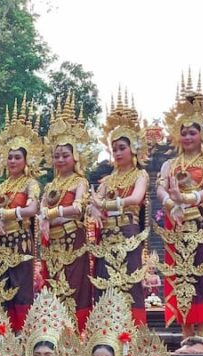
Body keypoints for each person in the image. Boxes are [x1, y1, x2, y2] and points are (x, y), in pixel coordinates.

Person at [156, 80, 203, 353]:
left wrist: (187, 198)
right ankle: (186, 337)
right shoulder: (168, 164)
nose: (187, 137)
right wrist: (170, 203)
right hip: (176, 225)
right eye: (183, 132)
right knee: (179, 278)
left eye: (192, 132)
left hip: (201, 223)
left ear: (202, 135)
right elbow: (161, 188)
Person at [89, 91, 150, 325]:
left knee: (129, 281)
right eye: (114, 148)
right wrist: (94, 210)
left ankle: (130, 331)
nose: (117, 152)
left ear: (133, 149)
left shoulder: (140, 174)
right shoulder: (107, 181)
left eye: (122, 147)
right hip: (107, 237)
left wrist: (104, 204)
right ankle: (107, 330)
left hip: (128, 233)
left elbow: (135, 199)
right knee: (105, 281)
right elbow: (93, 204)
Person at [0, 97, 42, 331]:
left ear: (27, 160)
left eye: (17, 157)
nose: (12, 161)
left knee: (21, 286)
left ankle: (23, 331)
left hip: (20, 242)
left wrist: (4, 213)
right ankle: (3, 332)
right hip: (1, 244)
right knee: (2, 286)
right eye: (9, 157)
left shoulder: (31, 184)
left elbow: (32, 209)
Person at [38, 94, 94, 330]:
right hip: (53, 243)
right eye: (56, 155)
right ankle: (53, 330)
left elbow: (78, 208)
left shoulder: (80, 181)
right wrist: (44, 216)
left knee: (74, 285)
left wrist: (52, 214)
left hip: (73, 240)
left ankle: (76, 331)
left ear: (75, 157)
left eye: (65, 155)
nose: (60, 160)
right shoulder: (50, 185)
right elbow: (41, 207)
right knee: (52, 283)